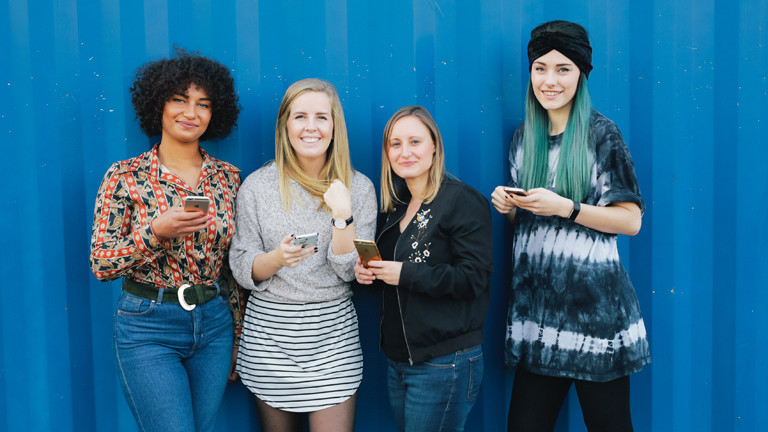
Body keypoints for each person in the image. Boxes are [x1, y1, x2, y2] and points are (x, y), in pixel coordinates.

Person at [491, 20, 650, 431]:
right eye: (541, 67)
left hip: (595, 317)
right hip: (539, 316)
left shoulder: (602, 135)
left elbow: (630, 221)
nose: (550, 80)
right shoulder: (524, 138)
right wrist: (508, 207)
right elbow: (528, 226)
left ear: (581, 74)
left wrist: (567, 207)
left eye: (563, 68)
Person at [89, 50, 245, 432]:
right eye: (179, 99)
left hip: (215, 324)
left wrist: (238, 337)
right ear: (157, 104)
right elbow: (101, 263)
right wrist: (156, 232)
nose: (191, 112)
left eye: (203, 104)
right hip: (148, 325)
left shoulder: (229, 178)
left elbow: (233, 265)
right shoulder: (125, 176)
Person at [229, 78, 378, 432]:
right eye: (300, 117)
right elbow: (240, 265)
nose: (310, 127)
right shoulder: (257, 186)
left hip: (332, 333)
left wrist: (343, 215)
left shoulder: (358, 187)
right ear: (285, 124)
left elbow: (350, 271)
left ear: (334, 126)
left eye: (321, 117)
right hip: (271, 335)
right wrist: (277, 259)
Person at [355, 106, 493, 432]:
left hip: (445, 361)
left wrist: (403, 273)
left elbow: (474, 278)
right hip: (400, 361)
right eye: (395, 144)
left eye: (415, 141)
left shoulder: (461, 200)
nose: (405, 152)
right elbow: (397, 278)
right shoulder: (397, 207)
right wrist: (371, 275)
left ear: (434, 146)